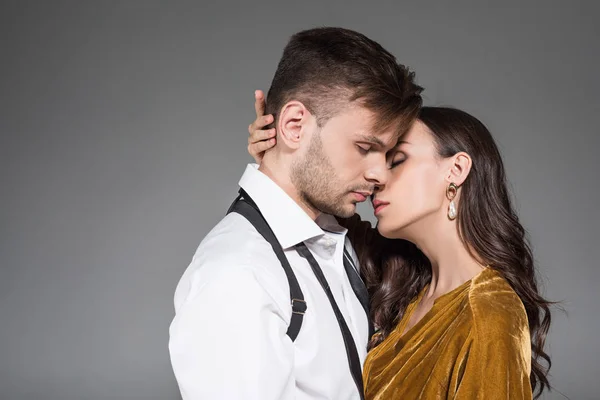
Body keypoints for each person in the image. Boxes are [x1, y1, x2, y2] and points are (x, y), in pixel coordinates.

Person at [168, 27, 423, 400]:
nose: (380, 173)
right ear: (293, 125)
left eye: (388, 155)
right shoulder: (238, 275)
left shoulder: (333, 238)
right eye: (365, 147)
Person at [248, 100, 552, 399]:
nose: (378, 178)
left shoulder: (490, 313)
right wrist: (283, 157)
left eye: (397, 160)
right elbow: (314, 205)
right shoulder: (407, 283)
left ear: (456, 169)